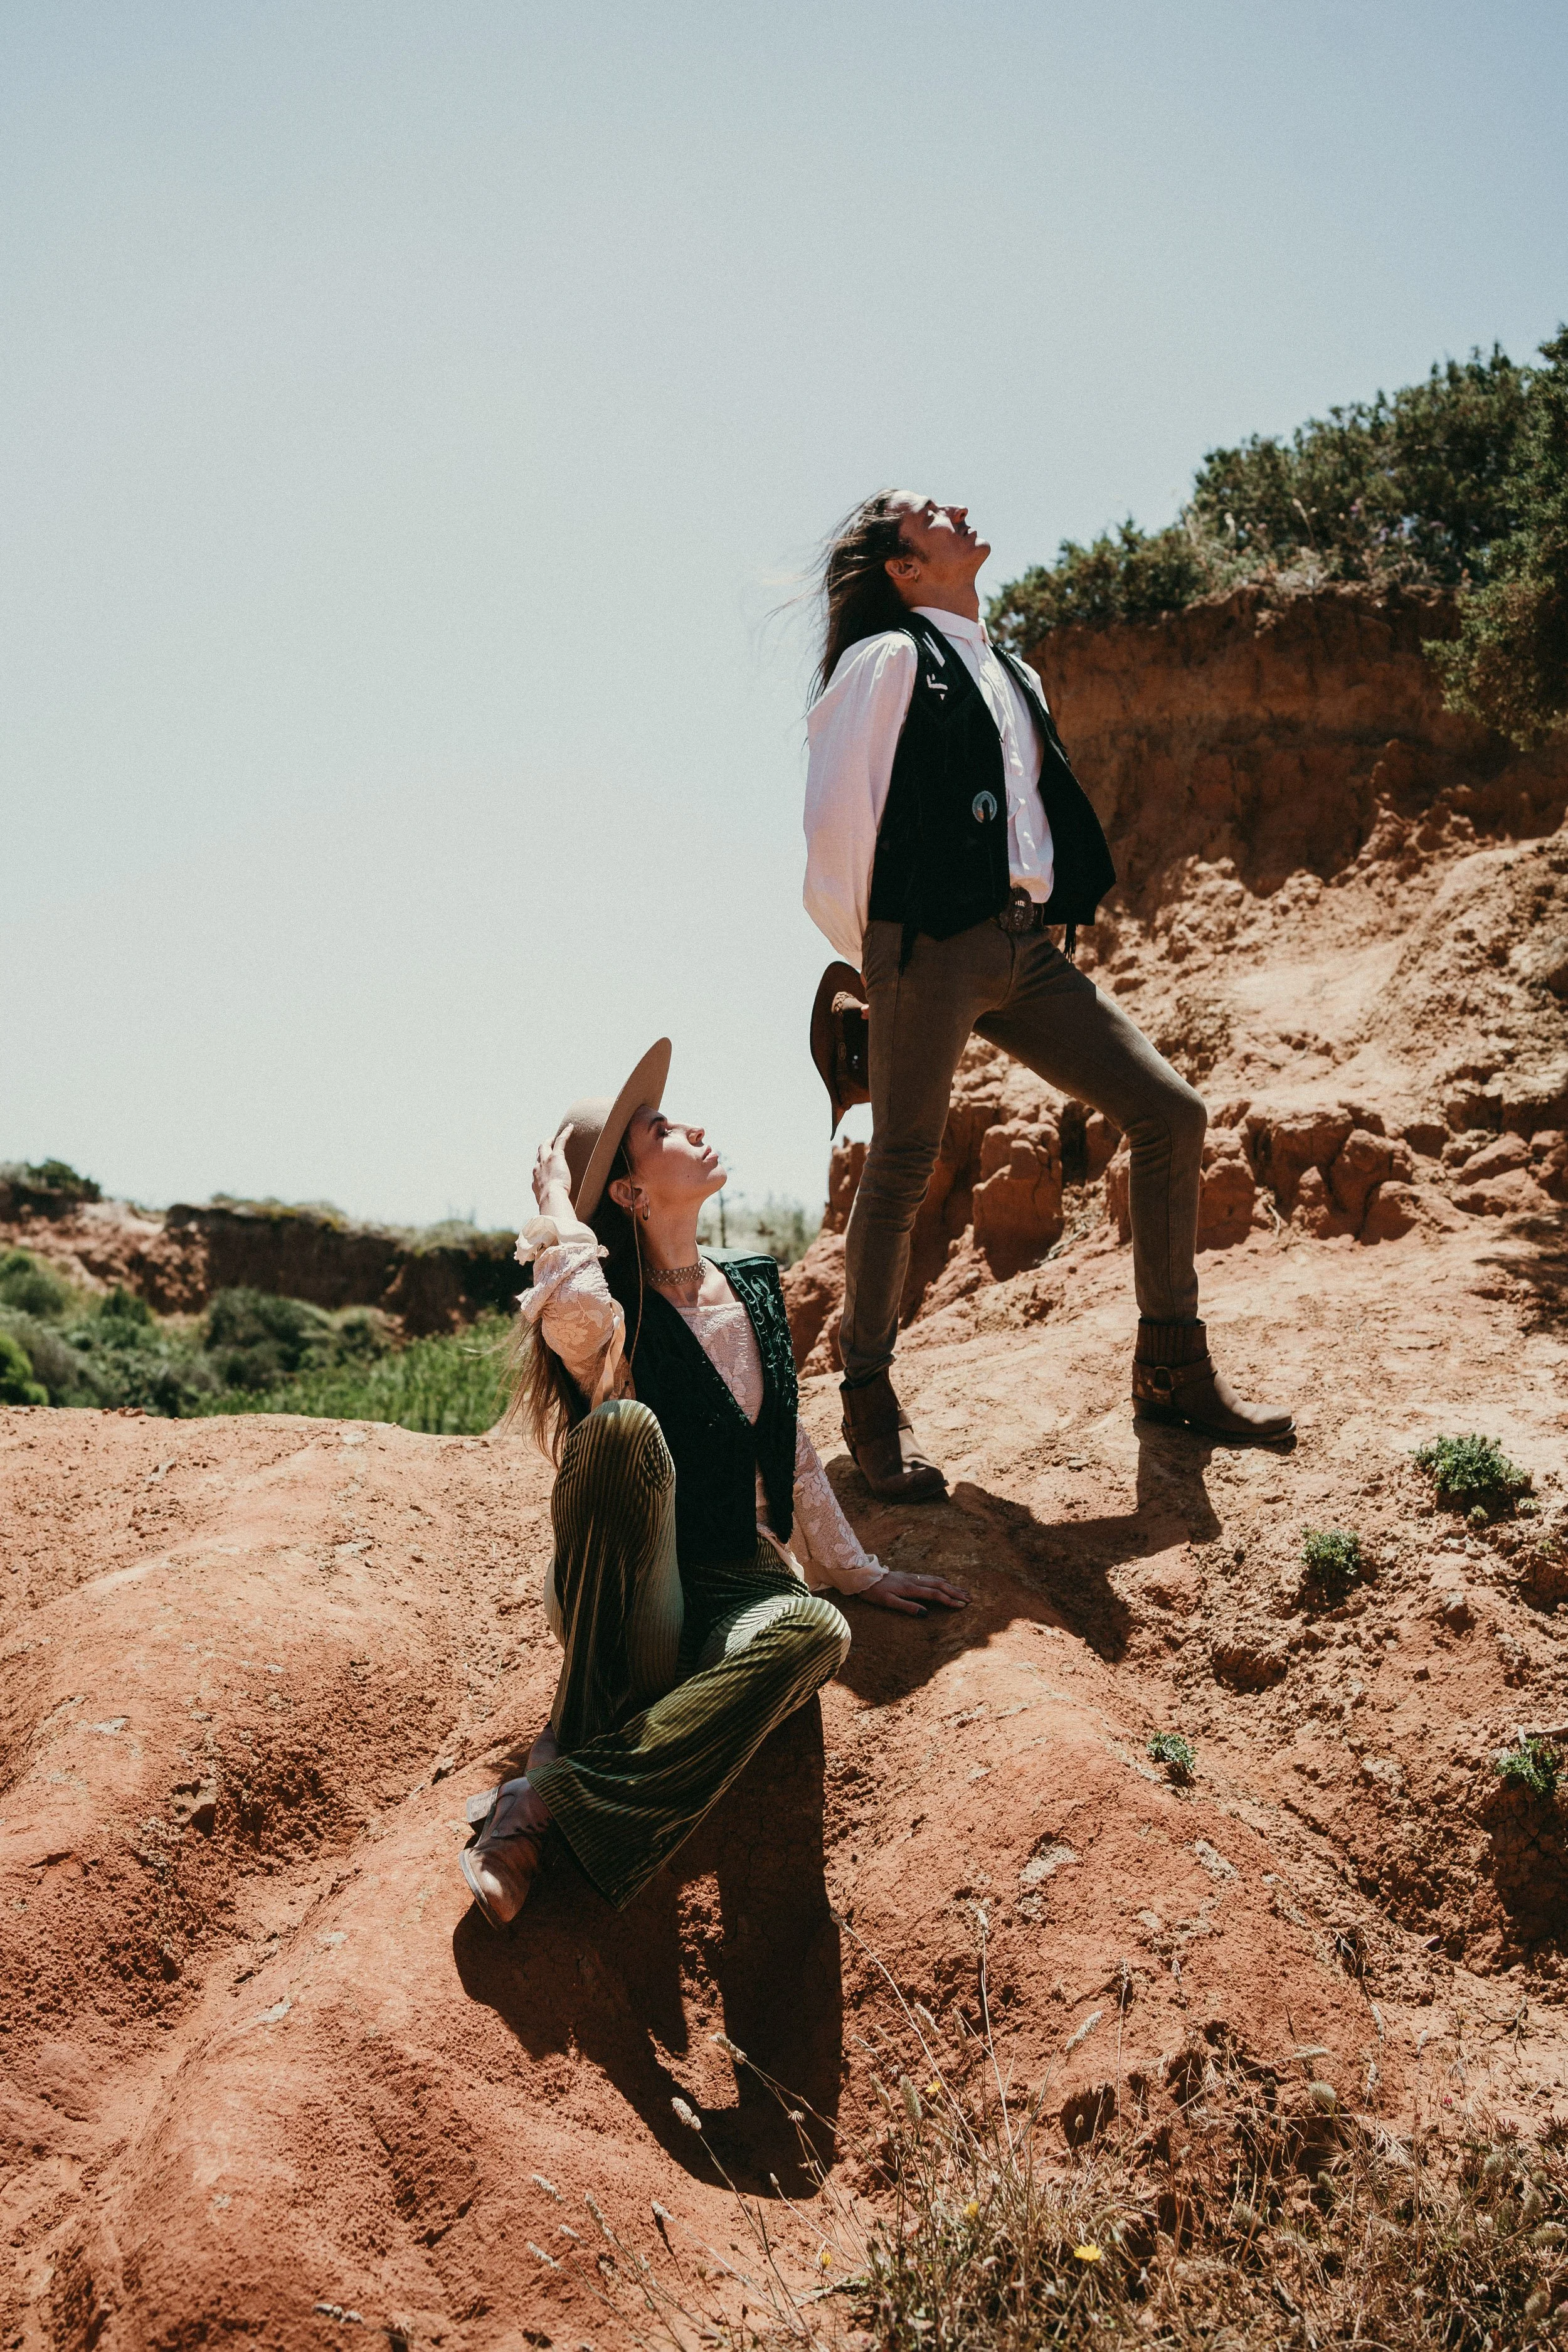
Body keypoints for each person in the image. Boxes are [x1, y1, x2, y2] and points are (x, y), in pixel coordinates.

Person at [802, 490, 1294, 1502]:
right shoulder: (889, 659)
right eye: (928, 512)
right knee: (897, 1166)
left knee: (1169, 1112)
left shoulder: (1009, 668)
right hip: (923, 939)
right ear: (903, 567)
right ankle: (867, 1401)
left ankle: (1170, 1371)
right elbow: (836, 821)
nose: (959, 508)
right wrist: (877, 954)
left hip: (1025, 946)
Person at [460, 1038, 968, 1930]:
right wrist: (552, 1210)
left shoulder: (754, 1288)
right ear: (629, 1192)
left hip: (745, 1587)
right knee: (621, 1429)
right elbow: (575, 1314)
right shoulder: (611, 1314)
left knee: (816, 1630)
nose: (691, 1124)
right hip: (640, 1592)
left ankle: (549, 1795)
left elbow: (793, 1447)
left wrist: (857, 1570)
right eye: (661, 1128)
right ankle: (552, 1775)